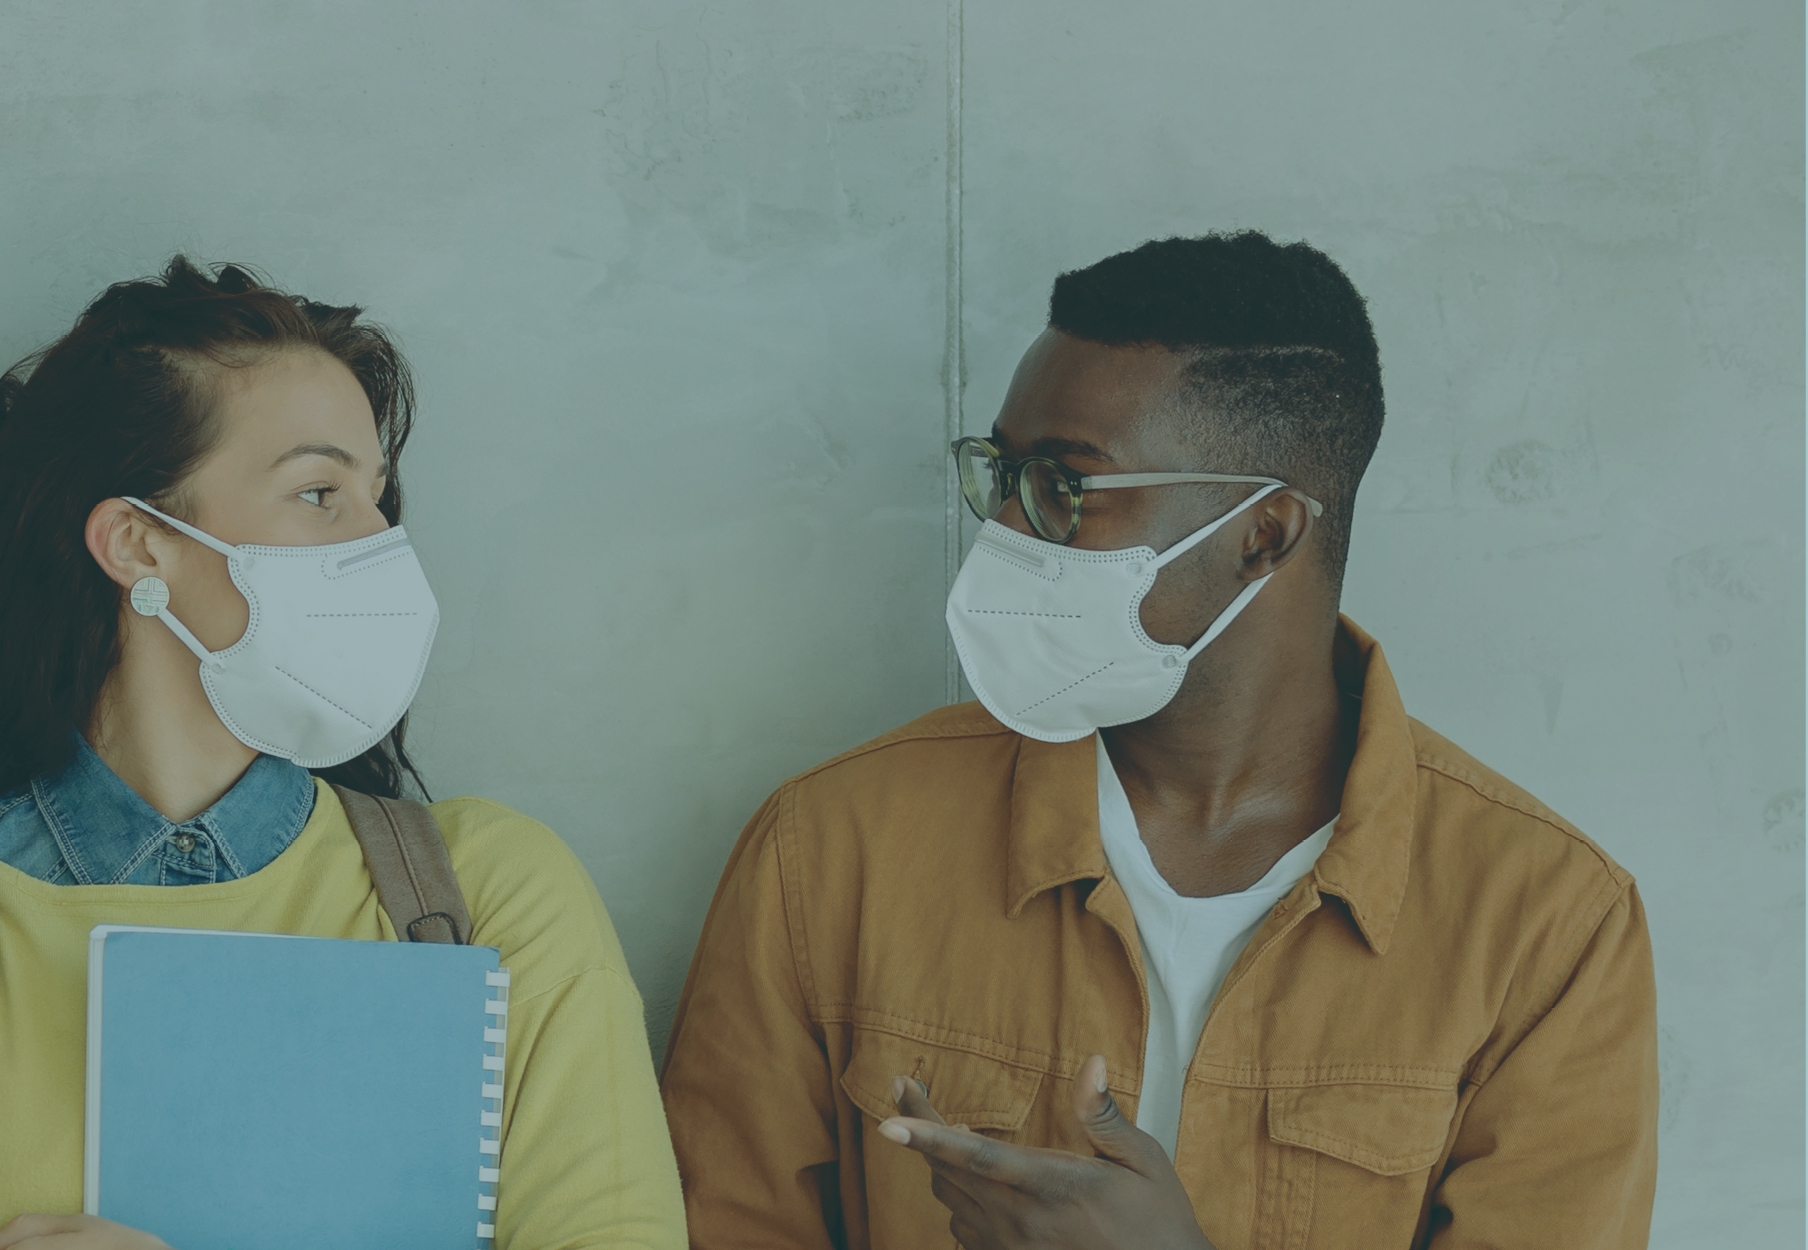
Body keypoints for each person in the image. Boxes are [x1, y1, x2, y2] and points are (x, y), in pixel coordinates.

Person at [661, 232, 1657, 1248]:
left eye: (1063, 484)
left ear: (1260, 535)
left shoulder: (1544, 926)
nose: (1006, 525)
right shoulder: (828, 850)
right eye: (1001, 473)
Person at [0, 259, 685, 1250]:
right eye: (319, 493)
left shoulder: (495, 893)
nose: (381, 545)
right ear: (138, 544)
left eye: (375, 497)